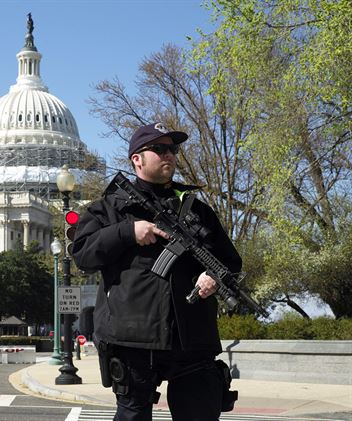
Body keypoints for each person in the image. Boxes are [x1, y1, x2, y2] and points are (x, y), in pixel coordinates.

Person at [72, 122, 241, 421]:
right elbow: (83, 254)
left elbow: (230, 260)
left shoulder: (196, 210)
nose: (170, 156)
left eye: (173, 149)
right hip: (132, 338)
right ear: (137, 159)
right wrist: (127, 232)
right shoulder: (110, 208)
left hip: (193, 337)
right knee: (133, 415)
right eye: (160, 149)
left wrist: (213, 276)